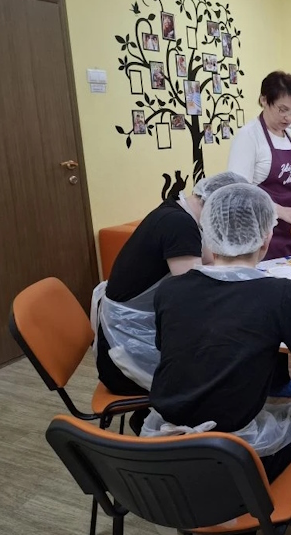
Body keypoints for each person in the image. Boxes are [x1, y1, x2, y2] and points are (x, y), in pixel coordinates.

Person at [146, 184, 291, 535]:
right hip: (236, 451)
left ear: (208, 234)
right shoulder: (280, 294)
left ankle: (208, 511)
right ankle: (238, 524)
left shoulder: (170, 289)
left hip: (161, 447)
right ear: (266, 238)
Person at [94, 171, 248, 398]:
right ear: (217, 206)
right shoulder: (179, 225)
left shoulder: (178, 210)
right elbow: (192, 298)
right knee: (229, 358)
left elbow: (208, 261)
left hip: (129, 337)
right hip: (125, 358)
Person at [227, 71, 291, 397]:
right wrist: (280, 211)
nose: (288, 117)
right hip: (260, 237)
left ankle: (279, 375)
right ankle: (270, 380)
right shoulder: (249, 138)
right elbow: (239, 190)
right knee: (264, 308)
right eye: (282, 109)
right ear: (263, 101)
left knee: (286, 300)